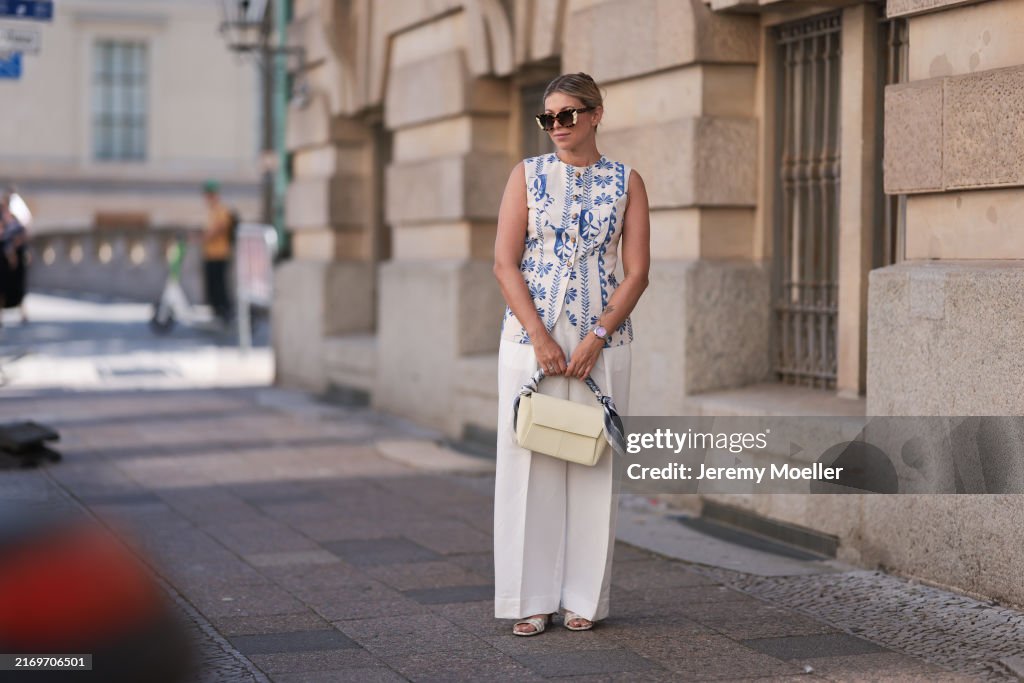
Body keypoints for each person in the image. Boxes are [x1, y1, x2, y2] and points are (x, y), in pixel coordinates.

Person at [492, 73, 651, 636]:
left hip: (602, 342)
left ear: (596, 113)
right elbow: (505, 263)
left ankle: (585, 596)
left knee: (593, 464)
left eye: (568, 114)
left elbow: (637, 273)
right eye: (549, 117)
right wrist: (539, 336)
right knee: (526, 465)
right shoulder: (527, 176)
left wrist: (597, 336)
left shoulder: (627, 181)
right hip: (529, 340)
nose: (557, 126)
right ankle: (530, 600)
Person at [200, 180, 234, 325]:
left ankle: (224, 314)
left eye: (210, 195)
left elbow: (219, 228)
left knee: (219, 286)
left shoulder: (222, 210)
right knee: (212, 287)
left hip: (220, 254)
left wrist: (206, 237)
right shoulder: (211, 211)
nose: (208, 198)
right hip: (209, 254)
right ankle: (217, 314)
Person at [0, 192, 30, 326]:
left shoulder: (16, 220)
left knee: (18, 287)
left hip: (15, 259)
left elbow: (23, 234)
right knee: (2, 288)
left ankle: (23, 313)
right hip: (3, 259)